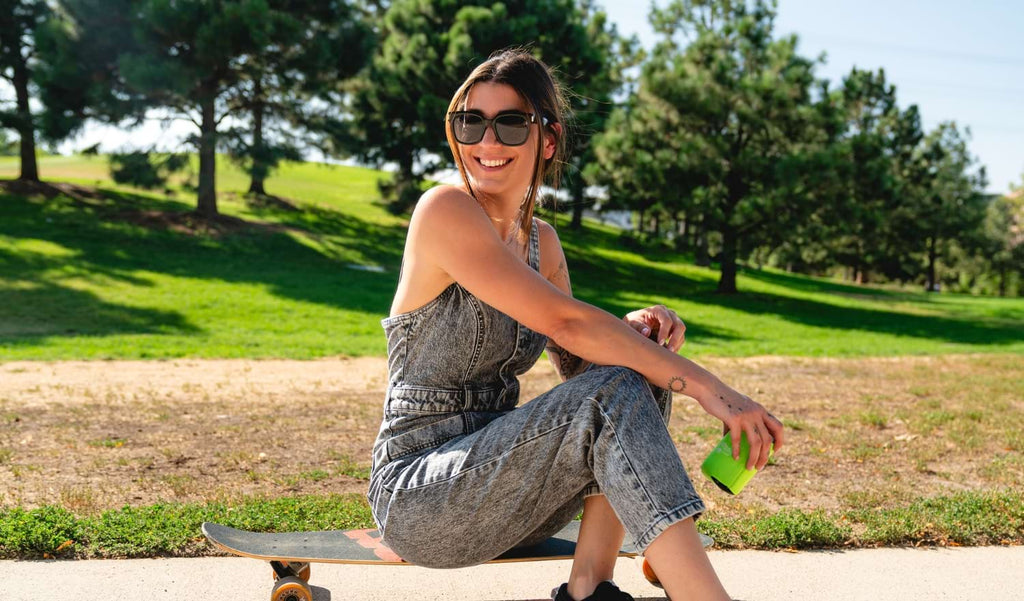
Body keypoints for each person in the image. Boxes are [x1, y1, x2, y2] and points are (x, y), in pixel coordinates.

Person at [367, 48, 785, 601]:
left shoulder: (543, 243)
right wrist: (713, 390)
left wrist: (632, 333)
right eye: (471, 122)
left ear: (547, 139)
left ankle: (589, 587)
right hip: (422, 495)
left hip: (508, 484)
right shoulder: (443, 210)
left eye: (510, 123)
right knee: (618, 383)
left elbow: (577, 365)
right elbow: (565, 321)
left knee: (632, 371)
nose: (487, 143)